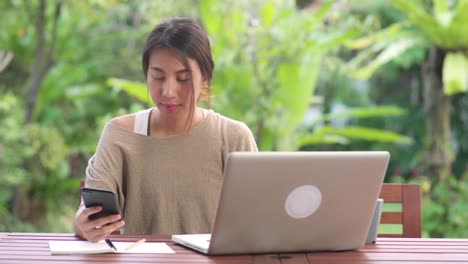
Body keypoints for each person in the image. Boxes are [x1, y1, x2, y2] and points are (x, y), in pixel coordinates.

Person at [74, 17, 258, 242]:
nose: (168, 91)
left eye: (183, 78)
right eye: (158, 77)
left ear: (205, 78)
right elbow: (91, 212)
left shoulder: (233, 137)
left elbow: (256, 221)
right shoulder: (120, 135)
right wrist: (82, 223)